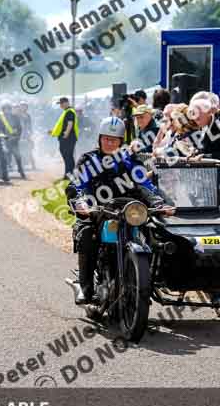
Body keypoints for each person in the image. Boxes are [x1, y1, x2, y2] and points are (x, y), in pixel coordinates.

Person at [67, 116, 170, 305]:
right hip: (96, 211)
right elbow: (77, 185)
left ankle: (146, 281)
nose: (109, 143)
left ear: (121, 142)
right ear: (99, 138)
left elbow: (144, 184)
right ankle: (86, 287)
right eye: (105, 138)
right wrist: (80, 202)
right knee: (87, 235)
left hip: (127, 210)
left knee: (155, 234)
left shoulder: (129, 160)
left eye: (113, 140)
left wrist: (158, 203)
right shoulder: (89, 160)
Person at [50, 97, 78, 179]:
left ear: (66, 103)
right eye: (60, 104)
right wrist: (53, 131)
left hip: (68, 138)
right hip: (68, 137)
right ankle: (70, 173)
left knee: (67, 156)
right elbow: (63, 125)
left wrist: (66, 133)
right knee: (68, 156)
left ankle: (68, 174)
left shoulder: (69, 112)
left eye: (61, 103)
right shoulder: (67, 111)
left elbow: (70, 124)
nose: (60, 105)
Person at [0, 100, 26, 180]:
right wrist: (1, 137)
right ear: (2, 109)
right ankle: (3, 173)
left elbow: (19, 128)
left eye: (8, 108)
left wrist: (17, 137)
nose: (6, 110)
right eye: (5, 108)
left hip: (14, 140)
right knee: (4, 157)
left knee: (17, 156)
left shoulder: (15, 117)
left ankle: (20, 170)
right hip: (4, 140)